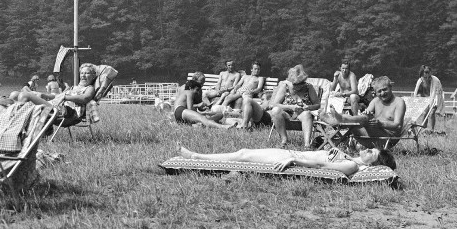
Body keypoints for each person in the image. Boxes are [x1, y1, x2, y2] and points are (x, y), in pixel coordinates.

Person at [173, 140, 395, 178]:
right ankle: (197, 155)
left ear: (372, 164)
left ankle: (196, 157)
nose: (368, 151)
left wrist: (294, 162)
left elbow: (321, 165)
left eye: (371, 154)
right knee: (244, 153)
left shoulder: (351, 165)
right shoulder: (352, 157)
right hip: (290, 154)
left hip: (290, 157)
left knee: (243, 155)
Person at [325, 75, 406, 144]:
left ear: (391, 87)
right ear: (375, 93)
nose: (382, 93)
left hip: (388, 138)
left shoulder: (399, 102)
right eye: (379, 91)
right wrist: (365, 113)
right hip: (372, 135)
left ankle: (338, 119)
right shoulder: (375, 101)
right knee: (360, 120)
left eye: (385, 89)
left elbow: (398, 126)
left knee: (366, 119)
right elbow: (364, 116)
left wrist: (381, 124)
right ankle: (337, 119)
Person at [268, 65, 322, 147]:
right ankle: (284, 140)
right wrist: (291, 107)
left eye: (301, 84)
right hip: (286, 114)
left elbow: (317, 104)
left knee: (307, 114)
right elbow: (275, 104)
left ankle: (307, 144)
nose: (298, 86)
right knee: (275, 110)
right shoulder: (285, 87)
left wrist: (309, 107)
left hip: (302, 113)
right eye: (295, 84)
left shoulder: (309, 87)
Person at [168, 72, 232, 129]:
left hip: (185, 114)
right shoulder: (186, 90)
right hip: (183, 112)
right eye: (200, 83)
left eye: (203, 84)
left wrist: (204, 108)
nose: (201, 86)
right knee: (203, 119)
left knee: (219, 115)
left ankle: (205, 123)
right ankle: (222, 127)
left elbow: (198, 107)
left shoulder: (198, 90)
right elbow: (188, 107)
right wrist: (200, 108)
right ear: (194, 81)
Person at [412, 65, 443, 131]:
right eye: (425, 72)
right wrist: (419, 98)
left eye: (428, 72)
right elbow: (417, 92)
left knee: (431, 113)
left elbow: (438, 92)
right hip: (425, 99)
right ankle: (424, 129)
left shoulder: (435, 80)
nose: (427, 74)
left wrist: (436, 103)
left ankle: (431, 130)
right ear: (422, 72)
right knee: (424, 113)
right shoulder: (420, 81)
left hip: (435, 99)